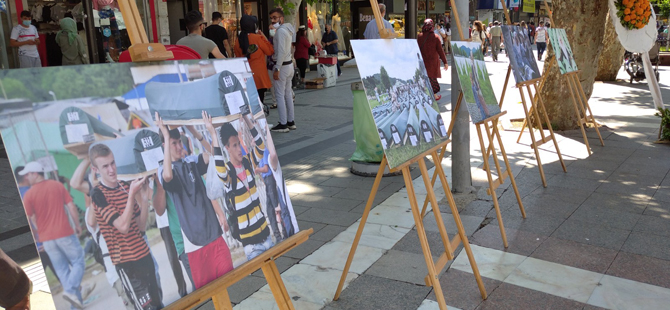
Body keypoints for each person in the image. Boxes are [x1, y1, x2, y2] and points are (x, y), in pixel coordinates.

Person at [153, 113, 234, 290]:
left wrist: (195, 131)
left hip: (214, 234)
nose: (178, 146)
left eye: (179, 142)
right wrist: (165, 135)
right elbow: (167, 176)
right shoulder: (163, 172)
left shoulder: (191, 162)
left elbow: (214, 155)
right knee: (211, 294)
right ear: (166, 146)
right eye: (173, 143)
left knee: (233, 282)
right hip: (194, 245)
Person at [88, 145, 162, 310]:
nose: (112, 169)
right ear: (96, 169)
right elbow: (122, 226)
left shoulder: (124, 185)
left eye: (112, 163)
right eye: (105, 166)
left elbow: (141, 227)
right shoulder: (98, 194)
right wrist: (131, 196)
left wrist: (143, 199)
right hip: (127, 264)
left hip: (144, 256)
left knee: (159, 305)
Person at [205, 112, 275, 260]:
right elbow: (220, 171)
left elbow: (261, 147)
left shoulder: (248, 161)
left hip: (266, 235)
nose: (238, 149)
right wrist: (213, 134)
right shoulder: (228, 172)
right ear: (227, 148)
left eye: (238, 144)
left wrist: (247, 120)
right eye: (234, 145)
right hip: (252, 245)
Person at [19, 162, 89, 310]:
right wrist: (77, 225)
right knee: (78, 261)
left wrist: (38, 236)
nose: (26, 177)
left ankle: (75, 306)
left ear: (35, 173)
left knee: (62, 271)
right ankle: (71, 292)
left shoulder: (29, 194)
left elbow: (29, 219)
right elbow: (70, 206)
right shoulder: (57, 185)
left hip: (47, 239)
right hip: (64, 233)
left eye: (28, 174)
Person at [234, 15, 274, 107]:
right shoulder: (257, 38)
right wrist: (263, 37)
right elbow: (270, 51)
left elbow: (238, 57)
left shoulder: (238, 41)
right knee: (260, 103)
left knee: (249, 104)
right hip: (259, 75)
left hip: (245, 76)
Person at [269, 8, 296, 133]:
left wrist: (277, 68)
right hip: (289, 65)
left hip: (283, 66)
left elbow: (281, 52)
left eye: (275, 17)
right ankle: (290, 121)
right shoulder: (287, 30)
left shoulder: (280, 32)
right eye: (271, 18)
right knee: (287, 94)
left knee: (280, 95)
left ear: (281, 18)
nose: (273, 20)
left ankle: (283, 123)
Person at [417, 19, 448, 101]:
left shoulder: (419, 36)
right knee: (432, 78)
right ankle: (433, 95)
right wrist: (445, 62)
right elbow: (440, 51)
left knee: (425, 79)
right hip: (433, 62)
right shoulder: (435, 37)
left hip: (422, 62)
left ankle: (430, 95)